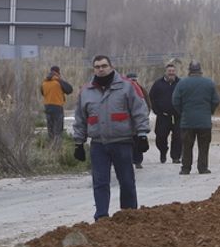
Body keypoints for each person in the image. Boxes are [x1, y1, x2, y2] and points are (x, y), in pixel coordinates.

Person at [71, 55, 150, 221]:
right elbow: (80, 118)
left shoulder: (127, 86)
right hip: (98, 144)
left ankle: (129, 215)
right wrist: (79, 143)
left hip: (122, 142)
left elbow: (139, 111)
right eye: (97, 66)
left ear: (111, 67)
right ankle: (101, 217)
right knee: (100, 182)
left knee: (127, 181)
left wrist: (142, 135)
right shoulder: (86, 91)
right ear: (94, 69)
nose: (101, 69)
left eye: (104, 66)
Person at [172, 61, 220, 175]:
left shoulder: (182, 83)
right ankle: (203, 168)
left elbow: (175, 101)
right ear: (200, 70)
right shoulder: (209, 83)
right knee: (204, 146)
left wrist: (182, 112)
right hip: (204, 122)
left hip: (187, 121)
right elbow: (216, 100)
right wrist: (210, 111)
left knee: (187, 146)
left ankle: (185, 168)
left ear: (189, 70)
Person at [148, 63, 182, 164]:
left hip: (177, 116)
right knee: (160, 137)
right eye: (169, 71)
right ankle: (163, 151)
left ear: (175, 72)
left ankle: (175, 157)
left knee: (178, 137)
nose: (171, 73)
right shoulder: (158, 84)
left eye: (173, 71)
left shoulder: (180, 83)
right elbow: (151, 98)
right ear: (165, 72)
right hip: (163, 116)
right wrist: (156, 111)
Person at [40, 65, 73, 144]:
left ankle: (51, 148)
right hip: (57, 107)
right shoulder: (58, 81)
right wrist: (60, 80)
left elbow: (42, 93)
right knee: (58, 130)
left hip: (47, 107)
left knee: (50, 129)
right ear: (58, 72)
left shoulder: (44, 83)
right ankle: (58, 149)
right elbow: (69, 90)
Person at [126, 73, 148, 168]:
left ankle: (138, 161)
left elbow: (147, 103)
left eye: (134, 80)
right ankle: (128, 160)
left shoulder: (141, 90)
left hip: (137, 122)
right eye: (131, 80)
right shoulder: (123, 91)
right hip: (126, 123)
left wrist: (144, 117)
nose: (133, 82)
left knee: (138, 142)